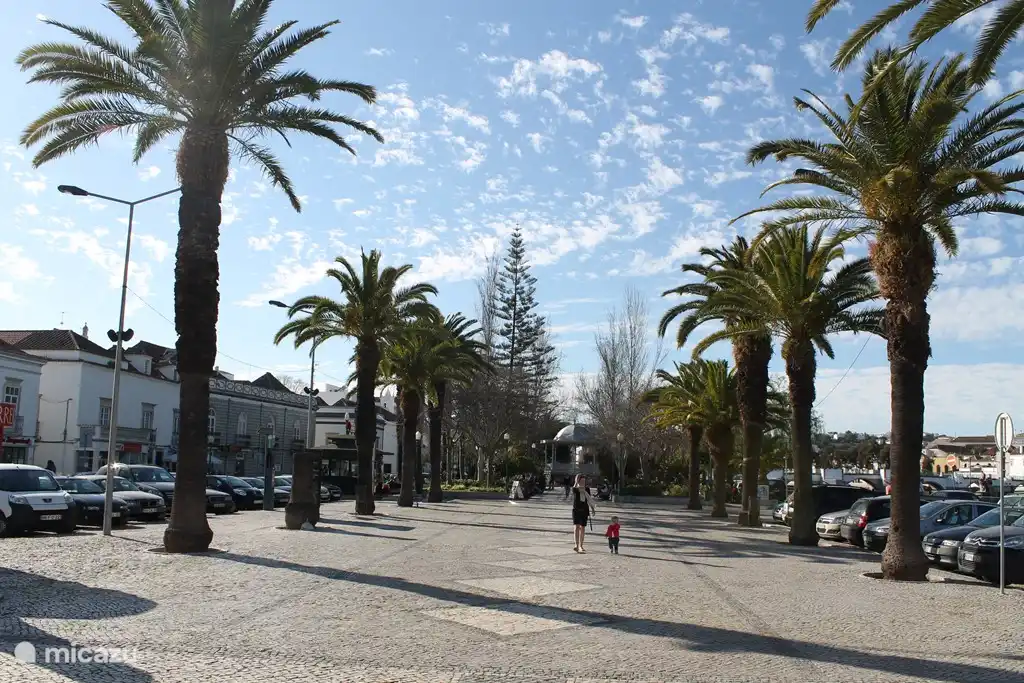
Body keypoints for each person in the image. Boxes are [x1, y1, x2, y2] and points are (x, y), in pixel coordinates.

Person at [571, 474, 596, 553]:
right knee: (576, 527)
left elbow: (589, 499)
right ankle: (576, 545)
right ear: (578, 481)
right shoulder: (576, 489)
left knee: (582, 528)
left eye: (584, 481)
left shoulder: (587, 489)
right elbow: (573, 489)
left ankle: (581, 546)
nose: (583, 482)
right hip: (576, 510)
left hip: (584, 510)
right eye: (581, 481)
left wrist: (592, 509)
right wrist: (576, 481)